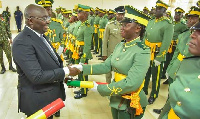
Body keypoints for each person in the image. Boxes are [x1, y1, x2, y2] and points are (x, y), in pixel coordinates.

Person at [72, 5, 151, 119]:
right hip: (117, 96)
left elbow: (132, 83)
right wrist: (80, 68)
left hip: (130, 101)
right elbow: (106, 66)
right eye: (122, 25)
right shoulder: (121, 45)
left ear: (138, 28)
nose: (121, 27)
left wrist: (101, 88)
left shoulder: (142, 51)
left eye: (126, 25)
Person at [12, 4, 80, 118]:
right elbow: (37, 76)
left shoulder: (40, 35)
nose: (49, 21)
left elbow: (48, 64)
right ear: (31, 21)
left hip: (48, 96)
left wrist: (62, 76)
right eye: (44, 18)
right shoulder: (22, 42)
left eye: (48, 17)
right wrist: (65, 71)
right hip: (37, 101)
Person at [153, 6, 200, 115]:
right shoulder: (183, 36)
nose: (190, 21)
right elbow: (176, 54)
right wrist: (170, 69)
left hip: (189, 70)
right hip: (177, 66)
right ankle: (167, 109)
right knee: (172, 92)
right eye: (189, 18)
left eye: (194, 18)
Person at [143, 0, 174, 104]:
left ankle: (154, 94)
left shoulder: (167, 24)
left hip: (157, 53)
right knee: (145, 73)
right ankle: (144, 90)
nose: (156, 10)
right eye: (156, 8)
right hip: (147, 52)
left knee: (156, 76)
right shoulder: (151, 21)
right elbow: (145, 36)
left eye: (159, 9)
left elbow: (166, 42)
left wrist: (160, 57)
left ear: (164, 10)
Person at [161, 7, 187, 82]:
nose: (176, 16)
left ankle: (170, 77)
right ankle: (164, 74)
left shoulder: (183, 25)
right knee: (167, 60)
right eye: (175, 14)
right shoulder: (172, 23)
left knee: (171, 61)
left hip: (175, 46)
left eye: (178, 15)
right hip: (169, 45)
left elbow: (184, 36)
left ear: (181, 15)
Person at [73, 4, 93, 99]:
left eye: (79, 12)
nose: (77, 14)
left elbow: (88, 44)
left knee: (83, 72)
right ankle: (82, 88)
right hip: (77, 51)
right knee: (79, 71)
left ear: (85, 14)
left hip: (82, 53)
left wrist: (84, 56)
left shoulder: (87, 27)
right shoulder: (81, 25)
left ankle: (84, 91)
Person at [101, 6, 125, 83]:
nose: (121, 16)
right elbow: (104, 40)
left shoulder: (127, 25)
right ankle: (108, 86)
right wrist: (104, 53)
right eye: (119, 14)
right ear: (116, 14)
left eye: (122, 14)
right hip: (111, 52)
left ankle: (118, 87)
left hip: (123, 52)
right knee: (108, 71)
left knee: (121, 72)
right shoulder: (110, 25)